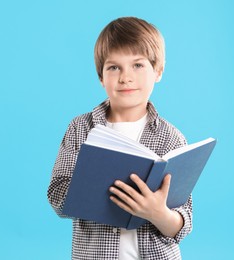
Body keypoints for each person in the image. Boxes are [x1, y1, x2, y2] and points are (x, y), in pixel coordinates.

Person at [47, 17, 193, 260]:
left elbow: (182, 224)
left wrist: (158, 213)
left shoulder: (172, 138)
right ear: (101, 77)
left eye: (137, 65)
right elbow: (57, 195)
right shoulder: (80, 129)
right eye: (114, 67)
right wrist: (95, 190)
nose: (126, 77)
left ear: (158, 71)